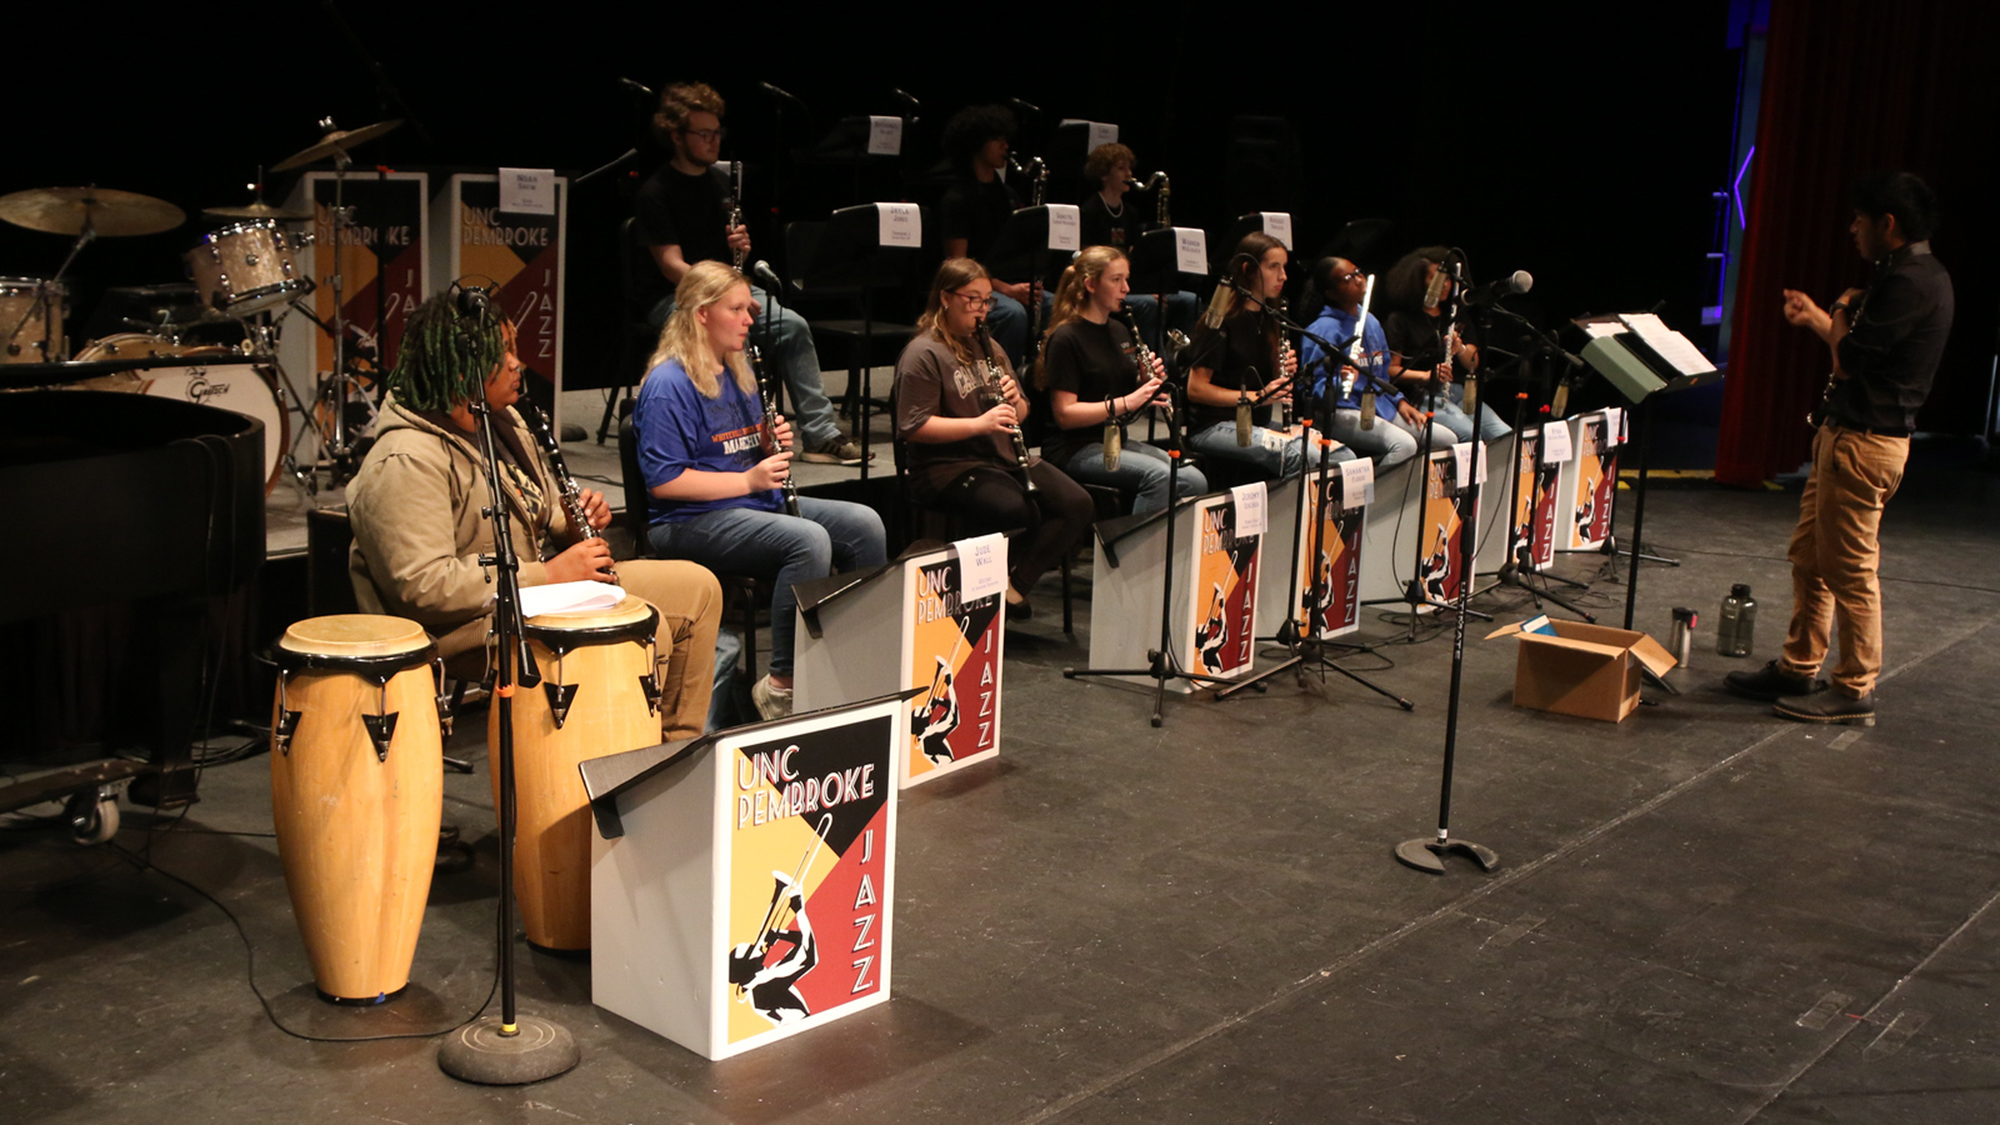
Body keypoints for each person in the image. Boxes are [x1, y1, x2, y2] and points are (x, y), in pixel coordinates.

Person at [346, 293, 722, 741]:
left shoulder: (504, 422)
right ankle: (621, 763)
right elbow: (423, 586)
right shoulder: (406, 458)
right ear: (461, 367)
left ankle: (675, 751)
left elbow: (539, 513)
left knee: (699, 588)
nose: (516, 364)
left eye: (515, 349)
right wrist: (548, 574)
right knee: (644, 625)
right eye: (502, 353)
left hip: (535, 594)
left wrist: (572, 518)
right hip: (466, 626)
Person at [1724, 170, 1954, 726]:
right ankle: (1800, 664)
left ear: (1888, 223)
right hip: (1845, 435)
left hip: (1866, 443)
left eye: (1859, 220)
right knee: (1810, 557)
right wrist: (1823, 320)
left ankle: (1854, 686)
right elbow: (1855, 351)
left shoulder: (1911, 282)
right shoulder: (1904, 273)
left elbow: (1849, 360)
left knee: (1850, 569)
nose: (1853, 229)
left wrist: (1845, 309)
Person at [633, 262, 888, 721]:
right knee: (807, 539)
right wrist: (749, 480)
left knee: (864, 525)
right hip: (688, 520)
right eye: (738, 310)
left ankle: (846, 662)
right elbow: (665, 481)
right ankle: (783, 685)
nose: (751, 319)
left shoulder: (739, 368)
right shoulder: (669, 384)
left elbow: (741, 447)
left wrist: (767, 443)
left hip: (748, 504)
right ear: (702, 314)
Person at [633, 81, 865, 464]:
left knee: (792, 325)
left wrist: (739, 248)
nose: (713, 141)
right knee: (715, 326)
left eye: (716, 133)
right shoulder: (656, 193)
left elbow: (731, 256)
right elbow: (673, 266)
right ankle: (716, 439)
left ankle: (820, 434)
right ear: (676, 136)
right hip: (675, 297)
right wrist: (728, 299)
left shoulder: (722, 183)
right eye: (703, 134)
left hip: (726, 291)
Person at [894, 257, 1094, 620]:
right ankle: (970, 590)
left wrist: (1016, 402)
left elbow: (1021, 413)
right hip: (945, 466)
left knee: (1076, 503)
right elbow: (914, 426)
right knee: (1016, 509)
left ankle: (1011, 584)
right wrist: (979, 424)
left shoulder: (989, 346)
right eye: (973, 300)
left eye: (986, 301)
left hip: (999, 458)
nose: (981, 310)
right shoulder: (924, 353)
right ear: (945, 298)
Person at [1040, 245, 1207, 512]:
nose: (1126, 288)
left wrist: (1145, 383)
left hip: (1115, 438)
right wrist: (1130, 401)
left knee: (1193, 480)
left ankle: (1167, 546)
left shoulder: (1119, 330)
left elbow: (1117, 393)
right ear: (1090, 284)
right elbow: (1065, 414)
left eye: (1126, 279)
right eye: (1116, 280)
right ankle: (1135, 552)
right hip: (1073, 448)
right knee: (1160, 476)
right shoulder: (1066, 338)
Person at [1182, 232, 1348, 478]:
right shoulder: (1219, 321)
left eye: (1283, 267)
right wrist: (1259, 396)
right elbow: (1195, 389)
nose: (1283, 276)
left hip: (1257, 423)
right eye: (1274, 267)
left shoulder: (1271, 317)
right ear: (1248, 269)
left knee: (1341, 456)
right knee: (1299, 455)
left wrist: (1284, 372)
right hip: (1214, 426)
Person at [1297, 256, 1457, 469]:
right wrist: (1340, 381)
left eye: (1358, 272)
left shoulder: (1370, 321)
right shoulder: (1322, 329)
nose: (1359, 279)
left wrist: (1400, 401)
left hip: (1378, 404)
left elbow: (1382, 374)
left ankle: (1413, 497)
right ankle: (1376, 500)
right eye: (1348, 278)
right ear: (1331, 293)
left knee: (1446, 439)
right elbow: (1308, 388)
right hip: (1340, 409)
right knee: (1404, 445)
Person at [938, 105, 1050, 367]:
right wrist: (1007, 289)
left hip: (1010, 285)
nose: (1005, 146)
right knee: (1012, 314)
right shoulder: (957, 199)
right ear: (977, 144)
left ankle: (1042, 386)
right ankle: (1000, 385)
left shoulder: (1008, 195)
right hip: (975, 289)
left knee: (1056, 306)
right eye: (997, 139)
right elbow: (958, 265)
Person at [1381, 247, 1511, 445]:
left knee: (1503, 433)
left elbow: (1473, 364)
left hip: (1458, 391)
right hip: (1423, 394)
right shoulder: (1399, 320)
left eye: (1448, 279)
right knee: (1468, 435)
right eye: (1436, 279)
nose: (1444, 285)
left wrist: (1460, 349)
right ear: (1419, 282)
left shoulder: (1456, 314)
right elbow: (1391, 370)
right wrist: (1425, 375)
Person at [1077, 142, 1197, 350]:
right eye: (1121, 168)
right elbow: (1088, 261)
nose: (1129, 174)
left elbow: (1137, 256)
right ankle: (1157, 368)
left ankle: (1182, 358)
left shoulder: (1130, 212)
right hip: (1108, 286)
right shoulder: (1090, 210)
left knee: (1190, 300)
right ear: (1104, 174)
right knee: (1149, 303)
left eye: (1129, 168)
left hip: (1133, 284)